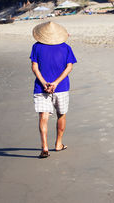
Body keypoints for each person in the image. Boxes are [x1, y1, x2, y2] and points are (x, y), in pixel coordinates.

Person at [30, 21, 77, 159]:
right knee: (61, 114)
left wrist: (44, 83)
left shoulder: (36, 47)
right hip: (61, 87)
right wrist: (55, 83)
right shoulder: (66, 47)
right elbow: (69, 67)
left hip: (41, 87)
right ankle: (58, 144)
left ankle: (44, 147)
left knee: (43, 117)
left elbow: (34, 67)